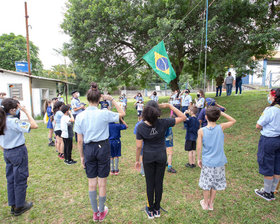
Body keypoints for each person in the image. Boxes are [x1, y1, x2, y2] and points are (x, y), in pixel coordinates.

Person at [74, 82, 125, 222]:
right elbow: (122, 113)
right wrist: (112, 100)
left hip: (88, 148)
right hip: (102, 148)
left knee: (92, 183)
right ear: (99, 99)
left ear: (87, 99)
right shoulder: (104, 113)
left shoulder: (80, 116)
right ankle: (101, 212)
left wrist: (82, 156)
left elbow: (79, 140)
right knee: (102, 182)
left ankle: (95, 212)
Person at [135, 100, 186, 219]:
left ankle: (150, 210)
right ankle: (157, 209)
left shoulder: (141, 126)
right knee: (159, 182)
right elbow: (183, 116)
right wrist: (169, 105)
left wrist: (137, 160)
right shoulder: (163, 122)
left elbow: (138, 146)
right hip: (161, 156)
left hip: (148, 156)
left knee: (150, 183)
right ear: (158, 111)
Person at [0, 98, 38, 216]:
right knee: (20, 178)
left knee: (11, 179)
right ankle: (20, 206)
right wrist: (26, 111)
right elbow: (34, 125)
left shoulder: (2, 120)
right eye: (17, 108)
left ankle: (13, 204)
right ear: (12, 110)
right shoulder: (13, 122)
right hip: (18, 151)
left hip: (7, 152)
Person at [197, 107, 236, 210]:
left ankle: (205, 203)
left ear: (206, 117)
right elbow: (233, 120)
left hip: (208, 162)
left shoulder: (201, 131)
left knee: (206, 184)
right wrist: (221, 113)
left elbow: (199, 147)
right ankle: (211, 203)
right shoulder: (221, 127)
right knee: (214, 184)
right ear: (218, 118)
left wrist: (198, 159)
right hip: (219, 162)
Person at [255, 88, 280, 201]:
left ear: (274, 97)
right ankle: (272, 191)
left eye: (270, 95)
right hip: (279, 139)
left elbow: (258, 125)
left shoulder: (270, 110)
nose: (269, 97)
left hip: (268, 140)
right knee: (276, 166)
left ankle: (266, 192)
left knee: (267, 164)